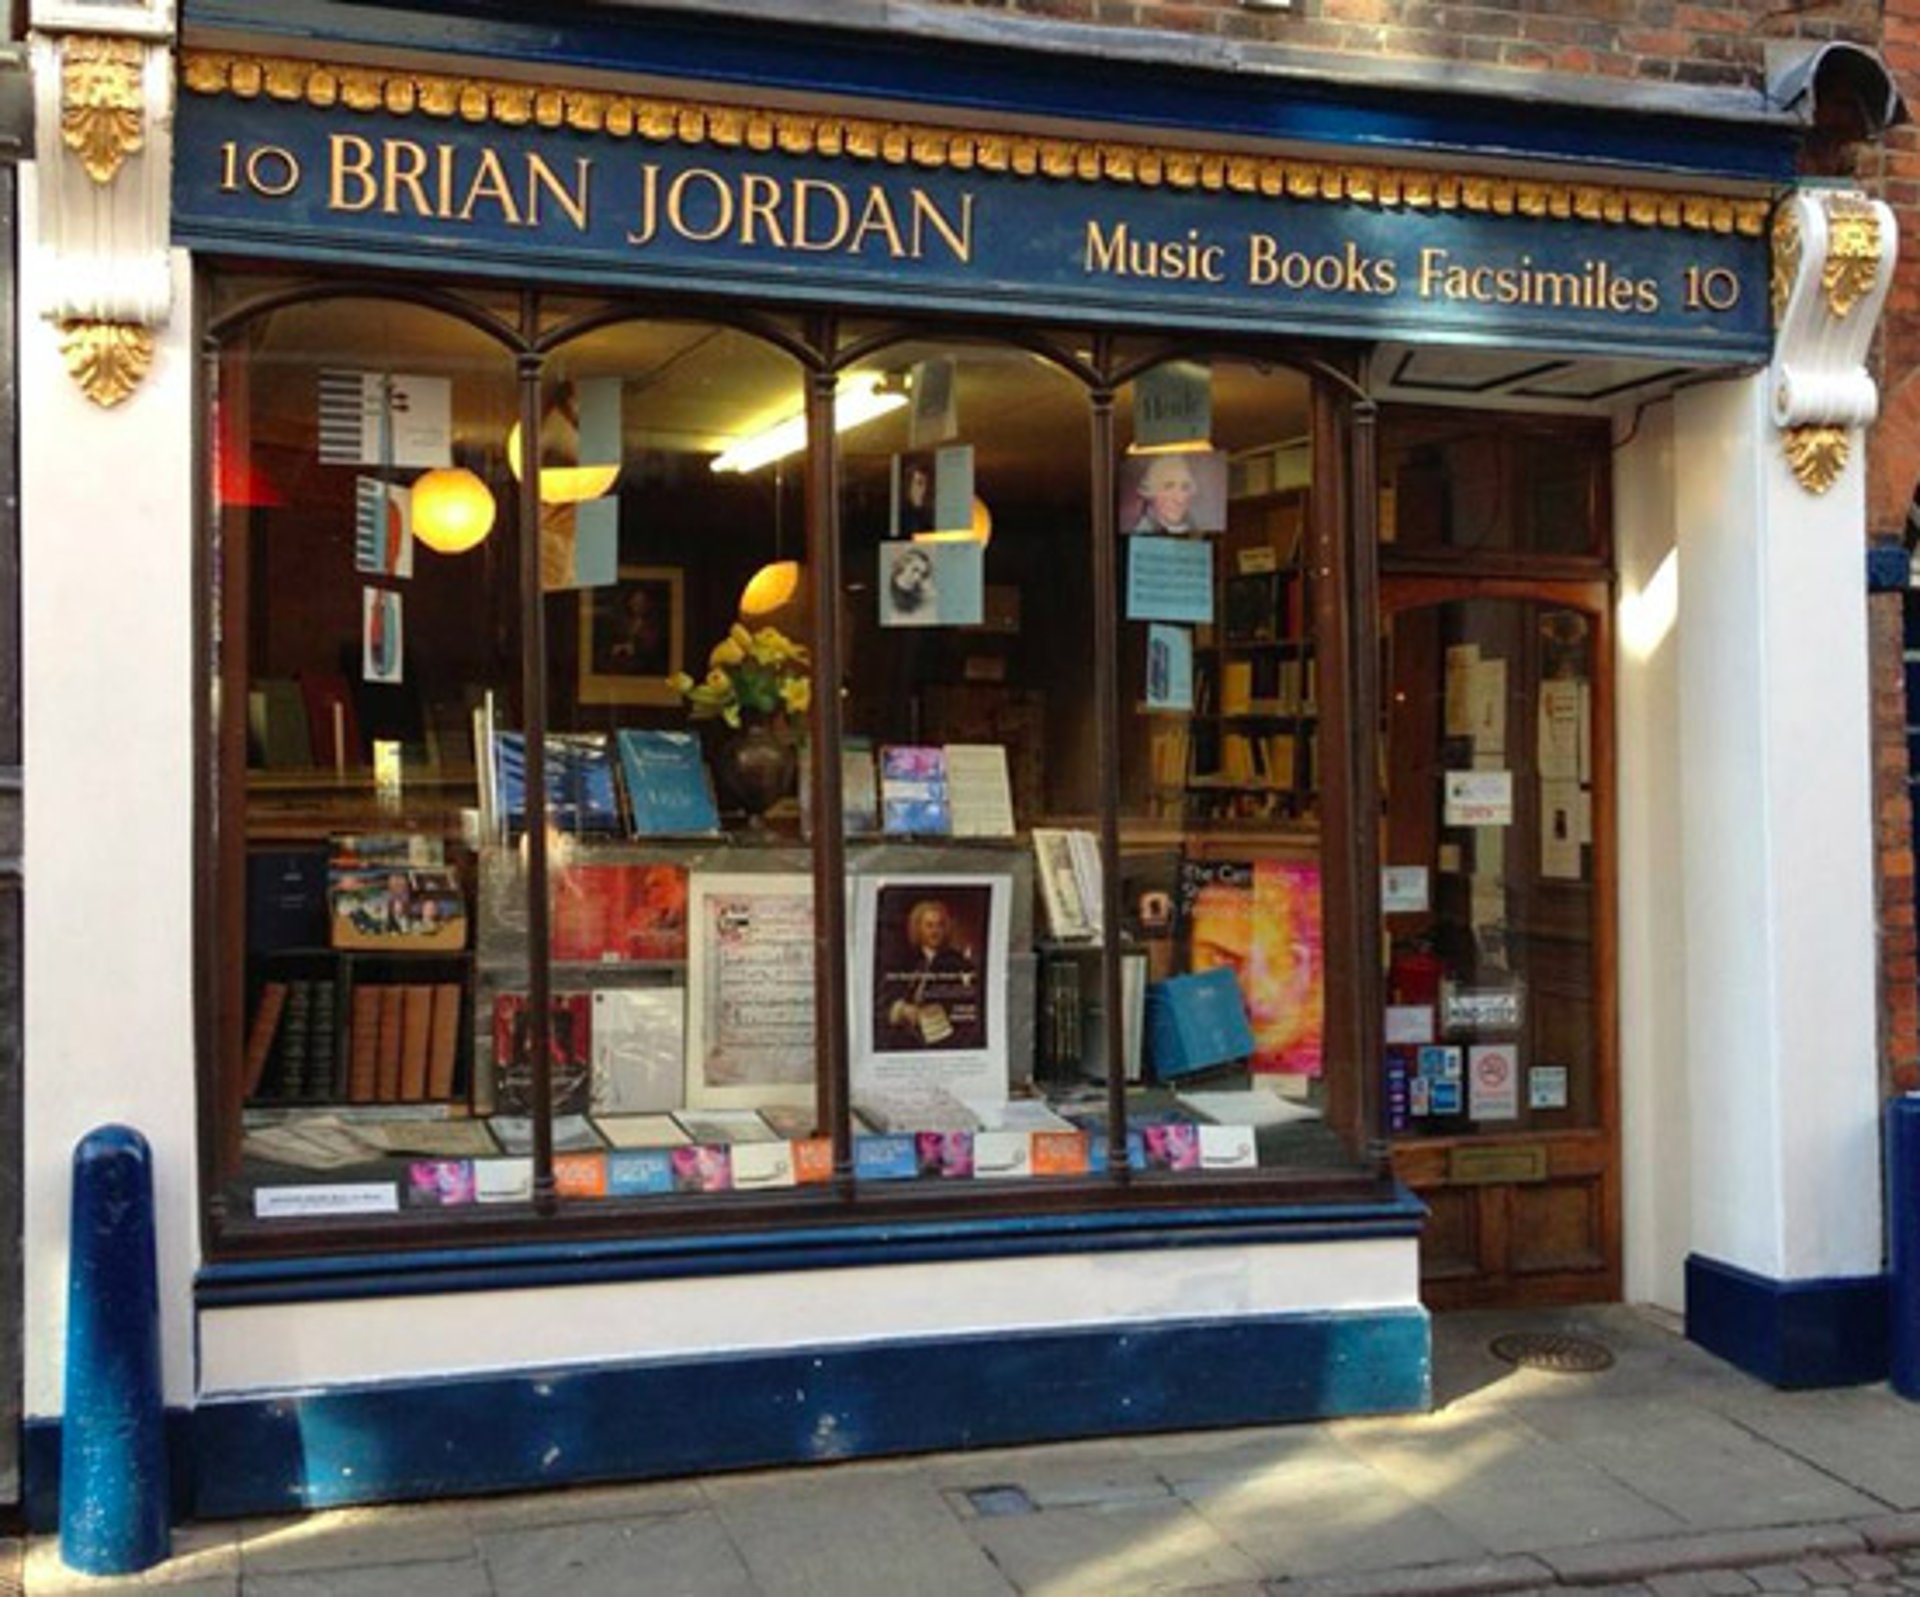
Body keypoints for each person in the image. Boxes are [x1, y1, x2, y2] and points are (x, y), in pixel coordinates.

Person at [880, 898, 982, 1049]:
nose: (935, 932)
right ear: (918, 928)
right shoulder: (909, 961)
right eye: (929, 926)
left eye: (939, 925)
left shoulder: (958, 963)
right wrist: (901, 1010)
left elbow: (964, 1011)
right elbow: (888, 1000)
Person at [1131, 455, 1199, 534]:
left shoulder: (1194, 527)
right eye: (1168, 487)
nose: (1179, 500)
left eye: (1185, 488)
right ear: (1152, 493)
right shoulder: (1141, 533)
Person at [886, 544, 937, 620]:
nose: (917, 577)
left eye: (922, 574)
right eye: (915, 569)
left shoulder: (922, 594)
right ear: (903, 564)